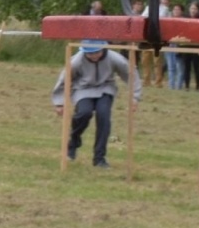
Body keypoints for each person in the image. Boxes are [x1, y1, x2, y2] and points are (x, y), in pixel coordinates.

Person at [51, 40, 141, 168]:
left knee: (103, 116)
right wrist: (59, 102)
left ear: (103, 49)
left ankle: (99, 158)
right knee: (83, 113)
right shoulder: (76, 61)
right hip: (83, 89)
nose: (93, 56)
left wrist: (135, 97)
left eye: (96, 52)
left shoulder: (114, 58)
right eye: (90, 54)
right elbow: (64, 80)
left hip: (106, 88)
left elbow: (132, 74)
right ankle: (73, 141)